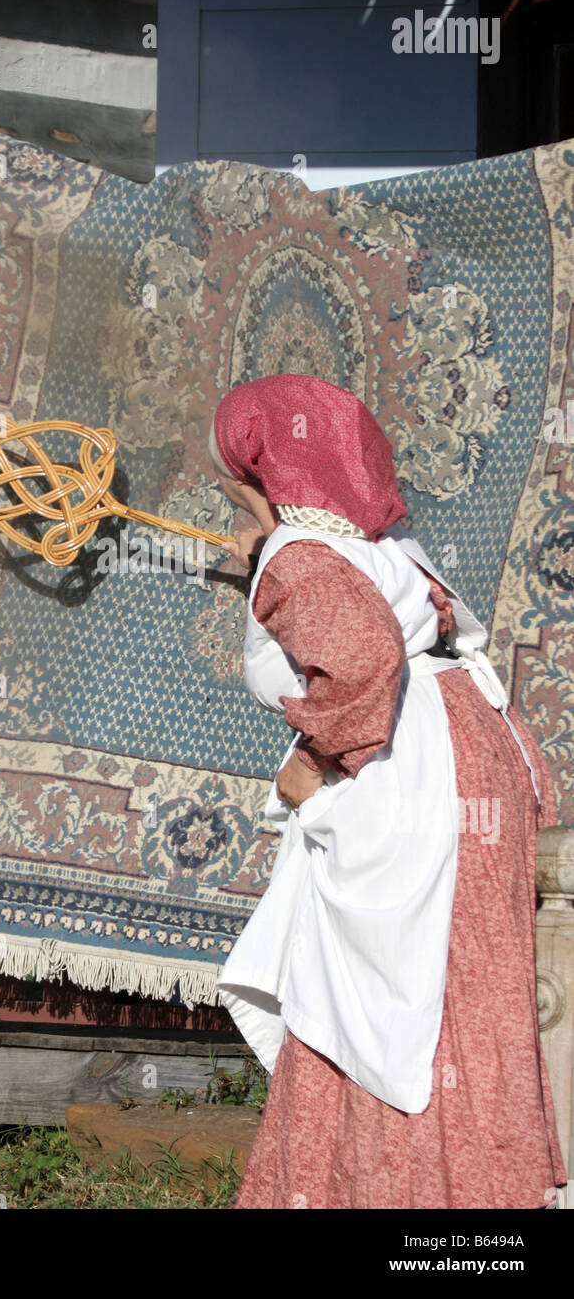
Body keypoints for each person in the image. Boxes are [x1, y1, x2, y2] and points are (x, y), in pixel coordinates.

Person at [209, 373, 567, 1210]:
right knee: (460, 989)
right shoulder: (381, 545)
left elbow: (364, 660)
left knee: (391, 1002)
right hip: (469, 750)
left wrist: (311, 760)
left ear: (264, 480)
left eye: (234, 488)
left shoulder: (298, 558)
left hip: (411, 774)